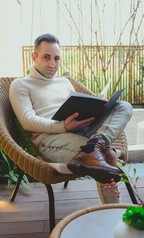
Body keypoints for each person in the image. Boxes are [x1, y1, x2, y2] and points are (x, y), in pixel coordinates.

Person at [9, 33, 132, 183]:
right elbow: (27, 121)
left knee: (123, 106)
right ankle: (113, 203)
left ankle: (97, 143)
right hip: (50, 140)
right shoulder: (21, 85)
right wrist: (63, 126)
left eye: (56, 58)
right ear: (34, 57)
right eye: (46, 57)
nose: (52, 64)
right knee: (104, 157)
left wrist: (98, 109)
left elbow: (77, 106)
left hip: (84, 131)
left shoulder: (64, 82)